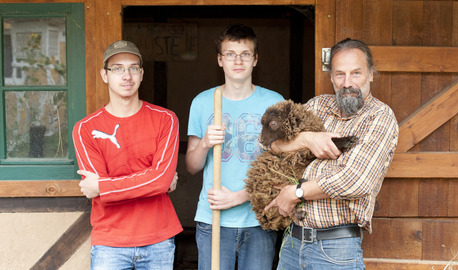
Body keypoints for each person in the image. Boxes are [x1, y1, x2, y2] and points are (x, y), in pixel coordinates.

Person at [265, 38, 399, 270]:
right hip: (292, 244)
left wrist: (295, 192)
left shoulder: (379, 117)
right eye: (340, 74)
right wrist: (308, 139)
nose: (347, 83)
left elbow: (355, 180)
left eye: (356, 73)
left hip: (336, 250)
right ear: (331, 78)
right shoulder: (318, 106)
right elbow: (268, 140)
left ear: (371, 75)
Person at [72, 40, 182, 270]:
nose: (127, 75)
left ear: (141, 74)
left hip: (158, 238)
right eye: (118, 68)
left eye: (133, 68)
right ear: (105, 75)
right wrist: (152, 179)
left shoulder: (166, 119)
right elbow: (156, 180)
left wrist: (104, 186)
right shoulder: (85, 129)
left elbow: (160, 181)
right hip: (110, 241)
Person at [185, 24, 284, 270]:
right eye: (230, 54)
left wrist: (239, 197)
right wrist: (206, 143)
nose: (237, 60)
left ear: (255, 59)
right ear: (220, 60)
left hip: (260, 218)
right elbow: (192, 167)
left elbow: (284, 170)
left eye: (245, 54)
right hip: (213, 220)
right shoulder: (202, 102)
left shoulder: (275, 103)